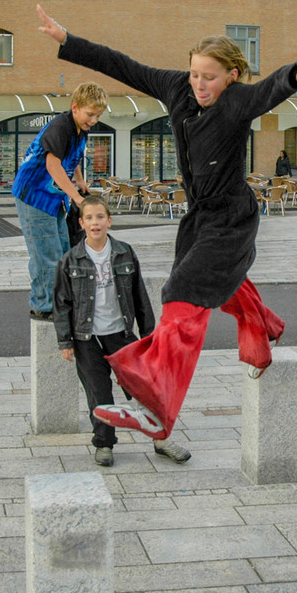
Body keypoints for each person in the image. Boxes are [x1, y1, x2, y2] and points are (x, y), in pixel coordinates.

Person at [34, 4, 297, 440]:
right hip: (200, 216)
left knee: (182, 292)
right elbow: (122, 65)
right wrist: (68, 41)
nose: (200, 85)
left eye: (210, 77)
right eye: (195, 74)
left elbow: (269, 92)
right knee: (214, 284)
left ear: (232, 76)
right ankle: (266, 325)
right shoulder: (175, 88)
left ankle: (157, 405)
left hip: (232, 218)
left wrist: (295, 75)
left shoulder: (239, 101)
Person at [53, 196, 191, 467]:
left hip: (122, 335)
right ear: (81, 223)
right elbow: (61, 303)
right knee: (99, 394)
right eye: (89, 218)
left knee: (144, 390)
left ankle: (161, 439)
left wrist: (150, 336)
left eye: (100, 217)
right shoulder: (70, 260)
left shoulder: (124, 252)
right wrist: (65, 341)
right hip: (86, 338)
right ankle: (104, 444)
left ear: (109, 221)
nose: (95, 223)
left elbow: (140, 296)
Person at [11, 82, 107, 321]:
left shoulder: (80, 129)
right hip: (34, 194)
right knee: (45, 251)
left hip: (53, 197)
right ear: (75, 107)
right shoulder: (61, 127)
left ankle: (60, 300)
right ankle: (43, 305)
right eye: (90, 114)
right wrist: (76, 197)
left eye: (98, 116)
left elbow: (71, 158)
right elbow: (52, 164)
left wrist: (81, 182)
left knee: (63, 249)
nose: (94, 120)